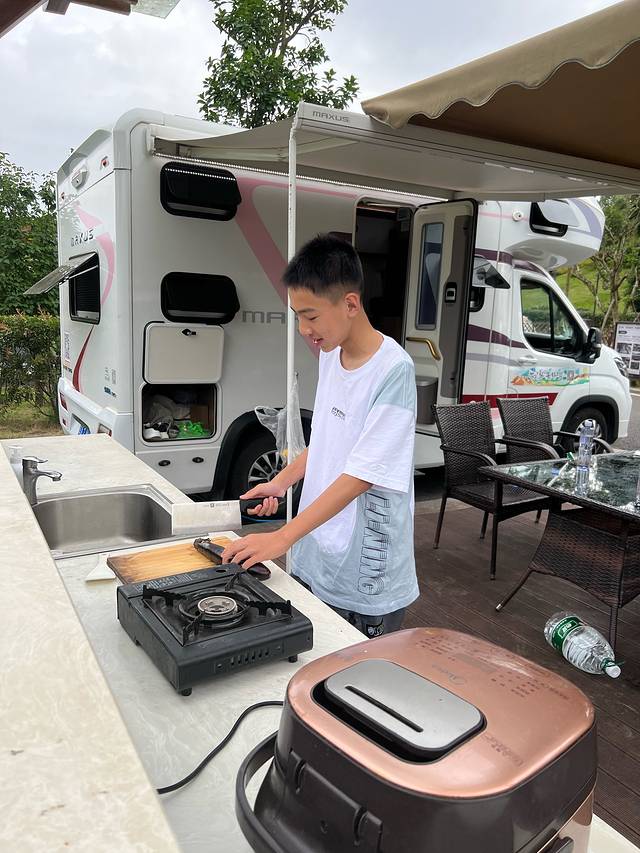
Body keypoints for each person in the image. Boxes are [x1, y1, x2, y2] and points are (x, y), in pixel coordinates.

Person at [221, 234, 418, 637]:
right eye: (297, 316)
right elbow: (328, 439)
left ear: (350, 304)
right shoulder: (331, 354)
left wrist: (281, 537)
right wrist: (279, 482)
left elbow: (362, 475)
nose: (302, 329)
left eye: (310, 316)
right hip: (318, 546)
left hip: (365, 566)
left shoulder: (393, 371)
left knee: (356, 668)